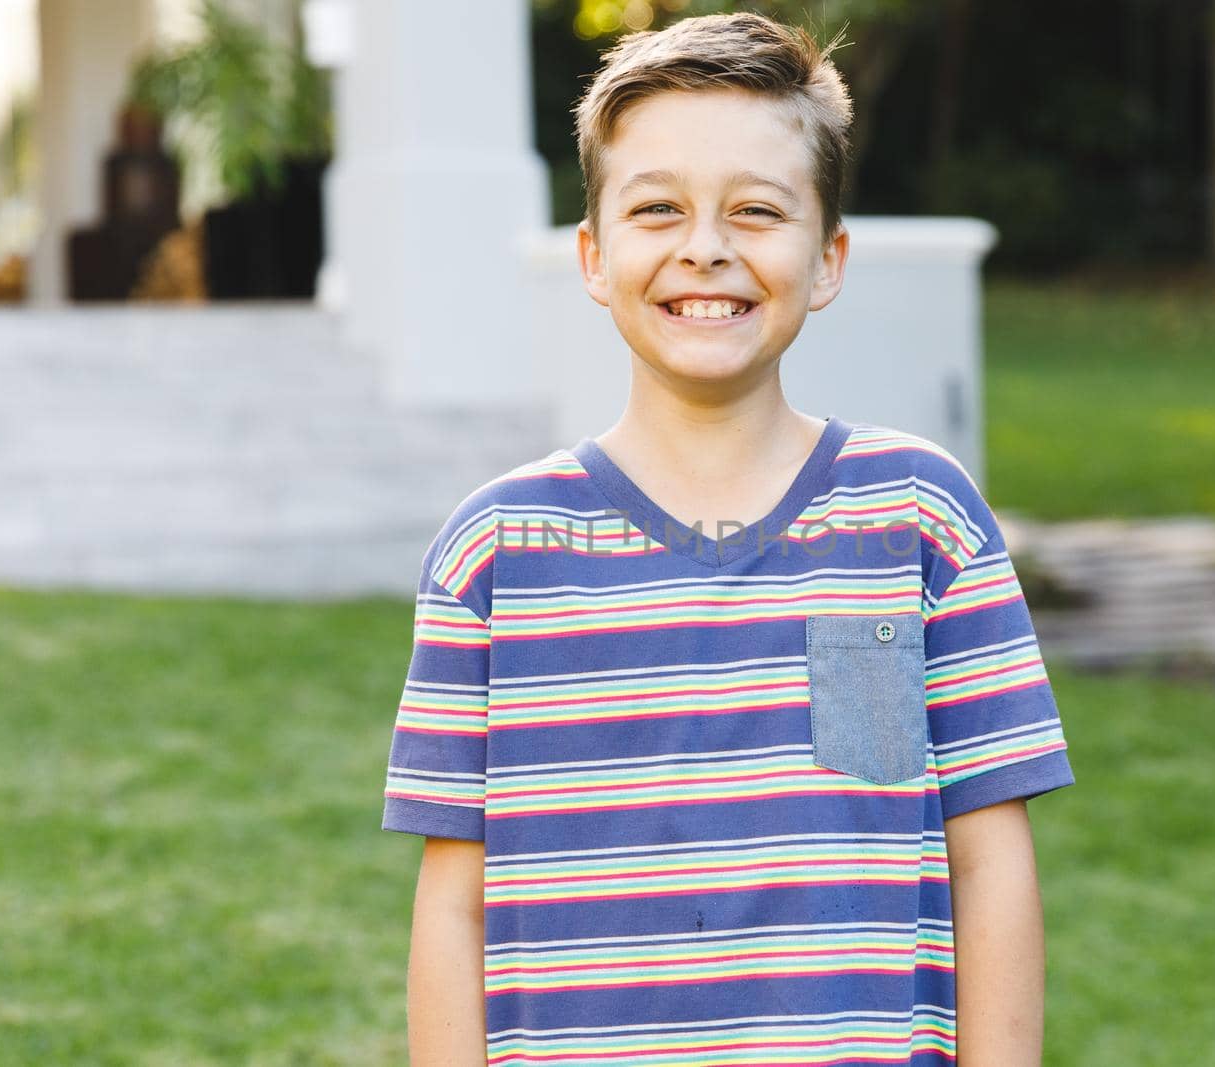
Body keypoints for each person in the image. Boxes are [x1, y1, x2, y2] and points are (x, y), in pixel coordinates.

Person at [380, 11, 1075, 1065]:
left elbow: (989, 864)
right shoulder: (495, 553)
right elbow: (454, 905)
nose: (705, 246)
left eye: (756, 210)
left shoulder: (919, 519)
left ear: (828, 257)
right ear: (594, 254)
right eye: (657, 208)